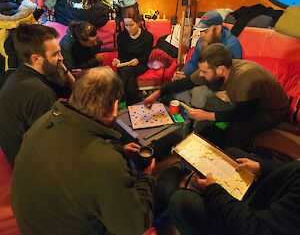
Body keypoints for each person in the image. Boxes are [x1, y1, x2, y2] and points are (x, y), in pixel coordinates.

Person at [11, 66, 183, 235]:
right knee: (166, 187)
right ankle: (177, 169)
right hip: (76, 227)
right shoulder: (105, 162)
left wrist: (119, 150)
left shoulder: (45, 120)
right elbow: (134, 226)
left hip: (37, 221)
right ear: (115, 107)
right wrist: (146, 176)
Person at [144, 43, 290, 151]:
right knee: (211, 102)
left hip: (271, 110)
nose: (200, 75)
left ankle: (231, 160)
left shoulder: (246, 77)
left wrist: (207, 115)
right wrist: (158, 93)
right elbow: (186, 83)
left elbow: (244, 113)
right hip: (247, 104)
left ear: (220, 70)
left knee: (237, 130)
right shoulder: (214, 70)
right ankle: (202, 142)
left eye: (203, 72)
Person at [169, 147, 300, 235]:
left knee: (181, 200)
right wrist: (262, 167)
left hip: (251, 218)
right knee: (232, 154)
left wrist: (213, 191)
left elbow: (254, 226)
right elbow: (293, 168)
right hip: (268, 194)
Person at [0, 23, 75, 167]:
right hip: (29, 165)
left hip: (22, 153)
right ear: (36, 58)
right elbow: (53, 142)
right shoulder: (39, 93)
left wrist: (64, 71)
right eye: (55, 54)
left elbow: (70, 89)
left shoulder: (22, 73)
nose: (61, 58)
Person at [173, 10, 242, 108]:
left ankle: (197, 120)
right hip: (202, 77)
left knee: (199, 92)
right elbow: (193, 62)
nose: (201, 36)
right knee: (180, 86)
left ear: (218, 29)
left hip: (220, 85)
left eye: (205, 31)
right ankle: (186, 116)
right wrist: (183, 74)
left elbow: (231, 76)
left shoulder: (232, 45)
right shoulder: (203, 40)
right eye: (201, 32)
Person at [112, 7, 154, 105]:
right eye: (126, 25)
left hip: (140, 65)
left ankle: (118, 99)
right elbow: (121, 55)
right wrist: (118, 60)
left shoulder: (148, 37)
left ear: (138, 22)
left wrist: (138, 60)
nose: (129, 28)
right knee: (129, 76)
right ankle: (131, 104)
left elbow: (145, 57)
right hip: (125, 65)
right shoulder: (121, 36)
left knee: (125, 70)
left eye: (131, 25)